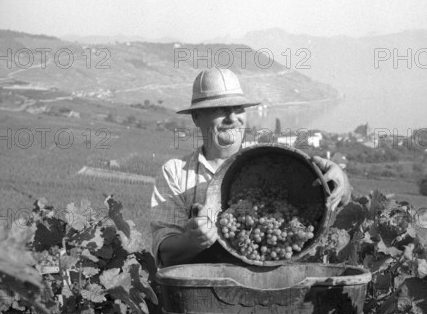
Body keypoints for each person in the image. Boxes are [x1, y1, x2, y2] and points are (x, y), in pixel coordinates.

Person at [149, 67, 352, 267]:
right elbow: (164, 253)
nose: (232, 117)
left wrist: (340, 181)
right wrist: (190, 242)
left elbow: (336, 199)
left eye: (238, 109)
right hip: (206, 295)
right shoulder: (175, 173)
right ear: (196, 117)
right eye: (219, 109)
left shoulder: (274, 161)